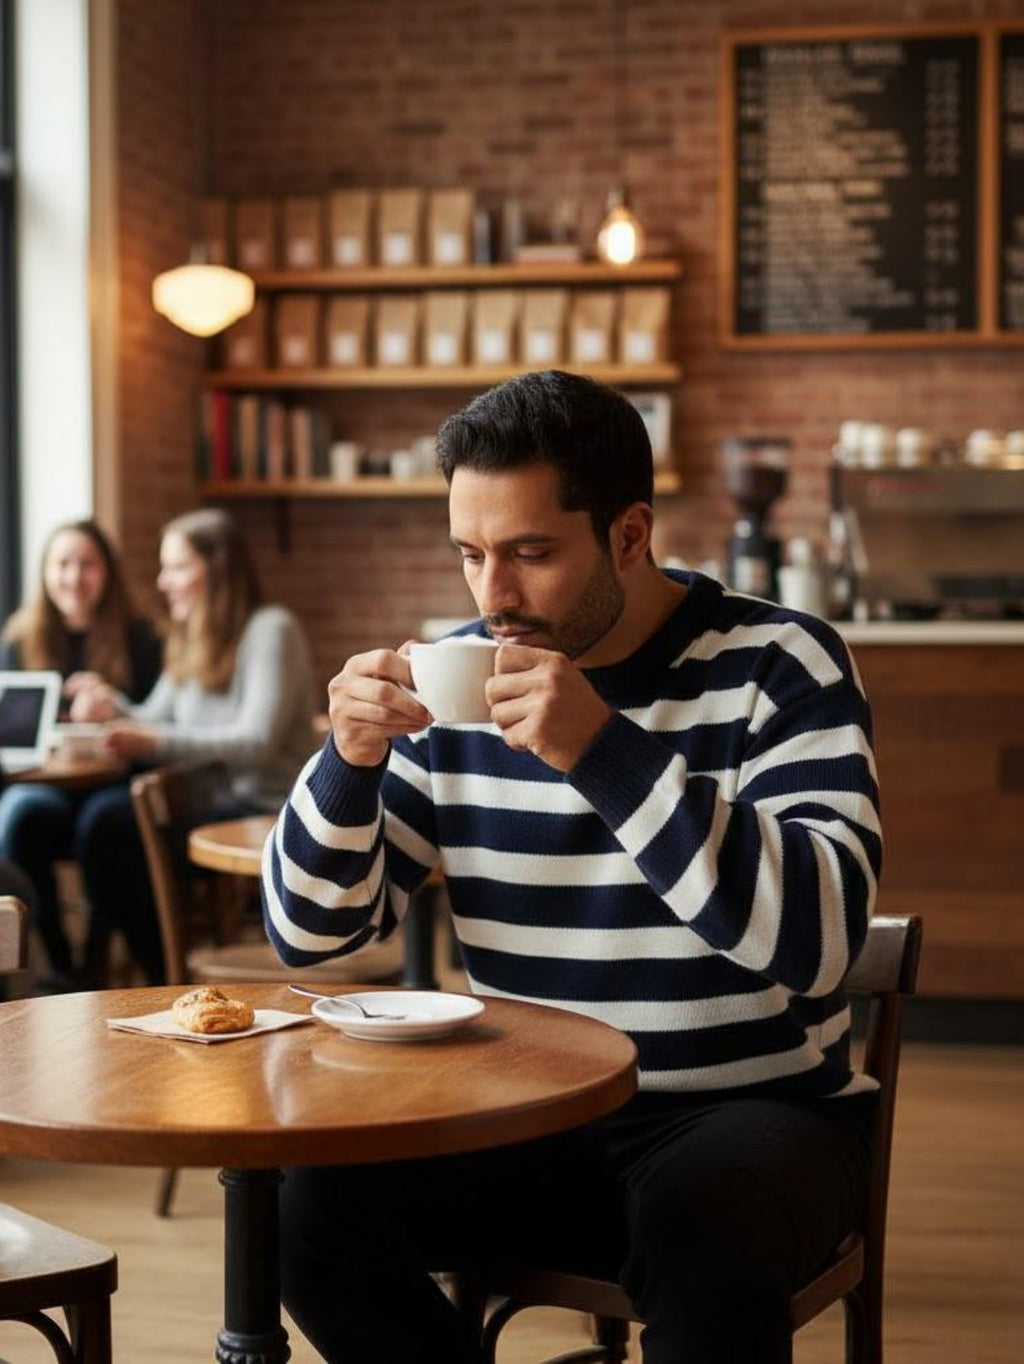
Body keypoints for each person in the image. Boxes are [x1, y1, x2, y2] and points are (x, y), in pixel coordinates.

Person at [262, 371, 883, 1364]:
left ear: (629, 534)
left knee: (705, 1235)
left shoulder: (780, 661)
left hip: (751, 1111)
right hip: (526, 1113)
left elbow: (822, 941)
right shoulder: (461, 677)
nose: (492, 596)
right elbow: (310, 934)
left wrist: (602, 751)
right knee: (305, 1213)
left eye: (531, 553)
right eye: (470, 554)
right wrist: (347, 759)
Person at [64, 506, 317, 985]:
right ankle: (156, 968)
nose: (164, 581)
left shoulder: (270, 629)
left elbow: (256, 741)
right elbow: (152, 716)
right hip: (205, 804)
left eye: (178, 567)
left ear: (218, 571)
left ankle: (163, 973)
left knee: (109, 830)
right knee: (102, 825)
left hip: (260, 807)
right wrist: (110, 703)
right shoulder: (188, 634)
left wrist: (151, 741)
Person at [0, 519, 162, 986]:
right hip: (47, 784)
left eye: (87, 564)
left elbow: (158, 721)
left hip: (116, 779)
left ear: (107, 571)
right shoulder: (19, 640)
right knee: (21, 815)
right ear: (45, 572)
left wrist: (114, 708)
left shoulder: (141, 638)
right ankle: (57, 961)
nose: (74, 577)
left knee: (106, 824)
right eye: (63, 564)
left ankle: (95, 960)